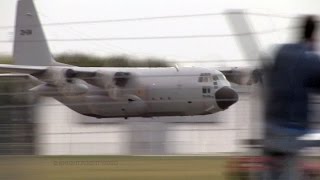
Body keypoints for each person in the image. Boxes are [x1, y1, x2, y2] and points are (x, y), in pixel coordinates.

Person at [263, 16, 320, 180]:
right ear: (313, 36)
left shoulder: (281, 52)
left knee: (273, 172)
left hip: (271, 126)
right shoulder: (311, 59)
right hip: (293, 130)